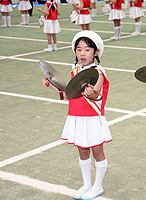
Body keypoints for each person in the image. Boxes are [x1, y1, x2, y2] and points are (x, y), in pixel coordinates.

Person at [42, 30, 112, 200]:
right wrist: (52, 85)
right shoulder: (75, 71)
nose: (82, 53)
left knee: (97, 153)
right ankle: (87, 183)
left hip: (92, 117)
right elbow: (69, 95)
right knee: (82, 152)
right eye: (79, 49)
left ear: (96, 52)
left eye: (87, 49)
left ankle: (98, 186)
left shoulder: (98, 72)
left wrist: (91, 94)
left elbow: (96, 95)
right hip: (76, 116)